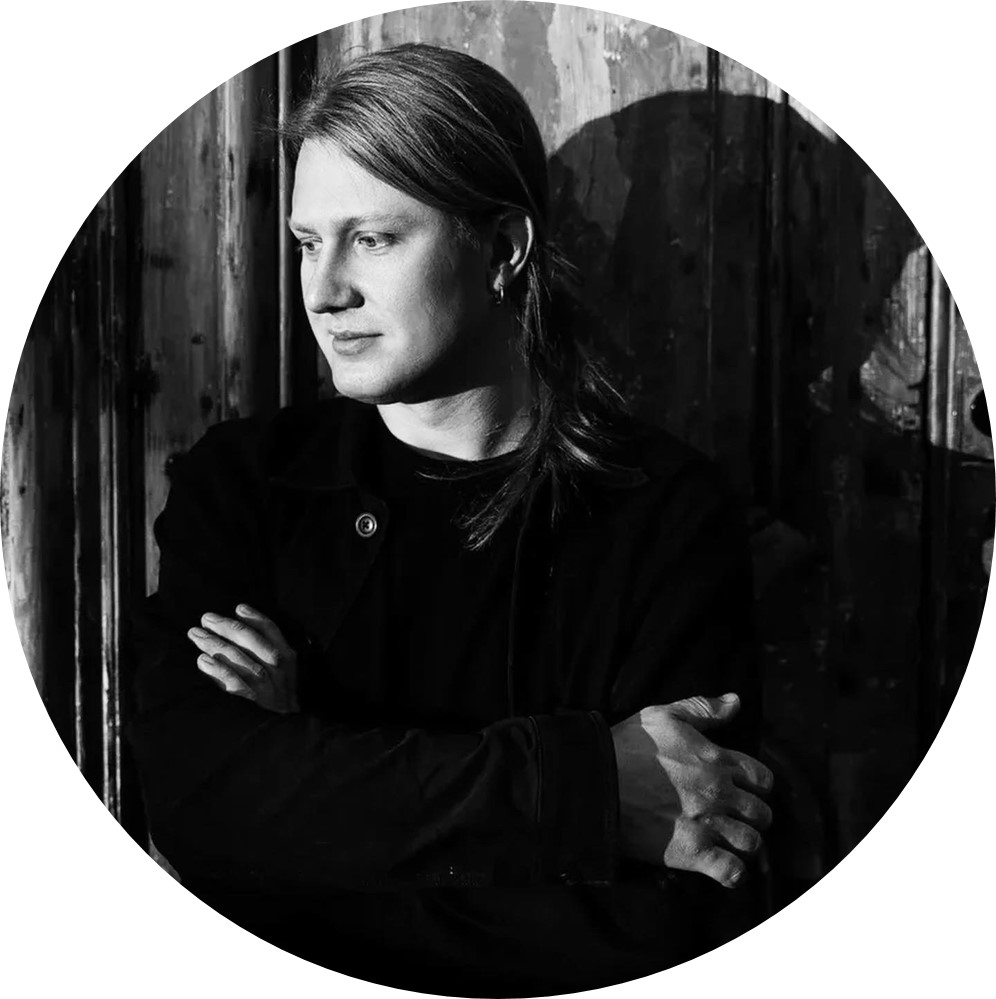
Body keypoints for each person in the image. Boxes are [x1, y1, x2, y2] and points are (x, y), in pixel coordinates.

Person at [128, 43, 773, 996]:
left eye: (374, 239)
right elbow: (195, 809)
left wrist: (309, 784)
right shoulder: (247, 487)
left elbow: (668, 919)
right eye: (307, 242)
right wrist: (582, 791)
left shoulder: (660, 515)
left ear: (503, 247)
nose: (325, 291)